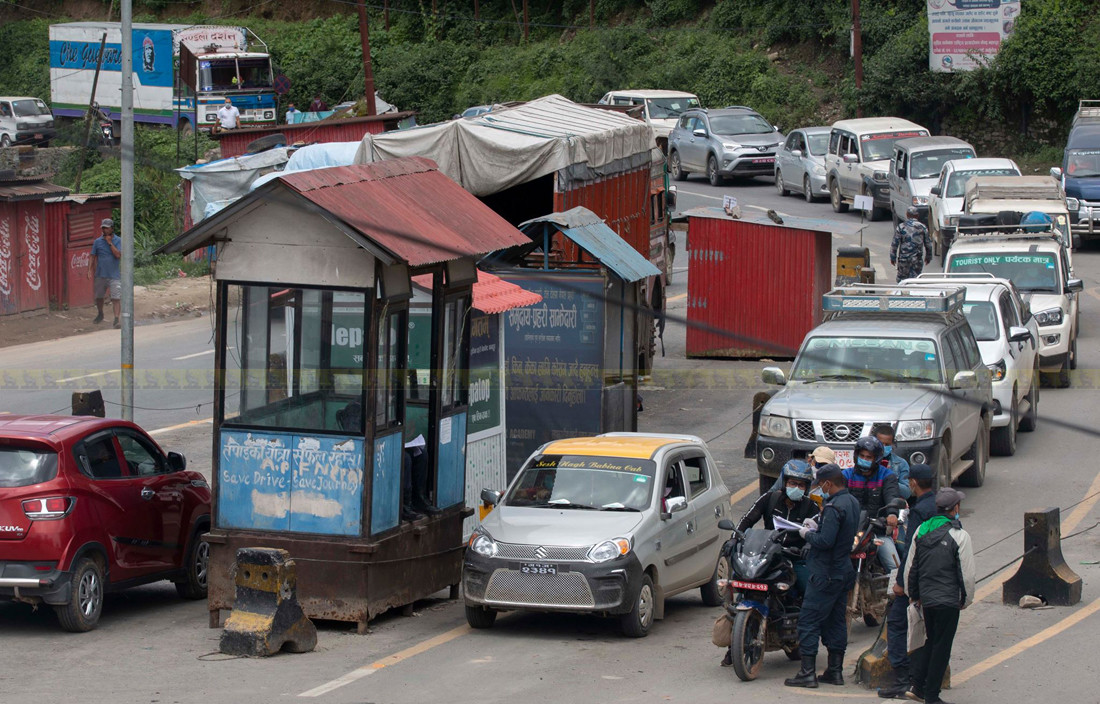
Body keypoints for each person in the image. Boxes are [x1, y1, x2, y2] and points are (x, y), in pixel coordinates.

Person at [785, 464, 861, 688]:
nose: (820, 489)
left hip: (825, 573)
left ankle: (807, 674)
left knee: (808, 622)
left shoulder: (834, 507)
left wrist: (807, 533)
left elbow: (826, 542)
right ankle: (834, 672)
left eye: (820, 485)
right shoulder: (852, 502)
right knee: (836, 621)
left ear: (828, 483)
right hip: (842, 572)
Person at [903, 488, 976, 704]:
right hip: (948, 601)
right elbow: (967, 574)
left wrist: (913, 594)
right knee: (942, 647)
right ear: (955, 508)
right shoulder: (959, 535)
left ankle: (918, 686)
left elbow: (911, 566)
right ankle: (932, 695)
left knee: (929, 641)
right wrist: (965, 600)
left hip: (926, 599)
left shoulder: (921, 531)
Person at [878, 464, 938, 699]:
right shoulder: (937, 505)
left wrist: (902, 583)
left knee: (898, 623)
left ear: (912, 483)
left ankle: (904, 680)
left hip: (915, 578)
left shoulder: (921, 509)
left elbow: (912, 550)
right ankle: (918, 681)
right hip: (936, 578)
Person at [736, 460, 818, 592]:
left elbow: (817, 531)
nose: (796, 488)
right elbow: (748, 519)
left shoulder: (811, 508)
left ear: (806, 488)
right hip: (768, 555)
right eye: (792, 483)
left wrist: (808, 545)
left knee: (810, 591)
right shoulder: (769, 498)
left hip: (795, 558)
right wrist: (734, 538)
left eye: (801, 485)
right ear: (785, 482)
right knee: (739, 579)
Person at [844, 436, 902, 572]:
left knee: (895, 567)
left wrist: (892, 514)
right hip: (850, 532)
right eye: (862, 455)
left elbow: (891, 496)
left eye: (868, 457)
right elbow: (839, 497)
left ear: (876, 459)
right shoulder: (846, 475)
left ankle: (897, 592)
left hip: (877, 531)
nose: (864, 459)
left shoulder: (887, 476)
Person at [88, 218, 122, 328]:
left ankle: (116, 319)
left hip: (114, 275)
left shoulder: (118, 240)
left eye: (106, 228)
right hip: (100, 274)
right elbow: (92, 256)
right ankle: (100, 313)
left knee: (116, 298)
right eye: (103, 228)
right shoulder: (97, 242)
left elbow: (118, 255)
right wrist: (89, 270)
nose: (104, 230)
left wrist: (109, 243)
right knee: (99, 297)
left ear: (112, 228)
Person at [891, 206, 933, 282]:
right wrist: (928, 257)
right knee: (915, 281)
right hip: (916, 260)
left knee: (902, 281)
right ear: (917, 215)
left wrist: (892, 257)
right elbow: (928, 244)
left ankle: (902, 293)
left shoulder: (901, 227)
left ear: (907, 215)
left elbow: (895, 243)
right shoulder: (923, 227)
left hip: (904, 260)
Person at [873, 423, 912, 499]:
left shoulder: (900, 463)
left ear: (892, 444)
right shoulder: (867, 460)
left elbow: (907, 492)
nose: (883, 447)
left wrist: (889, 479)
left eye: (887, 444)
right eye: (881, 444)